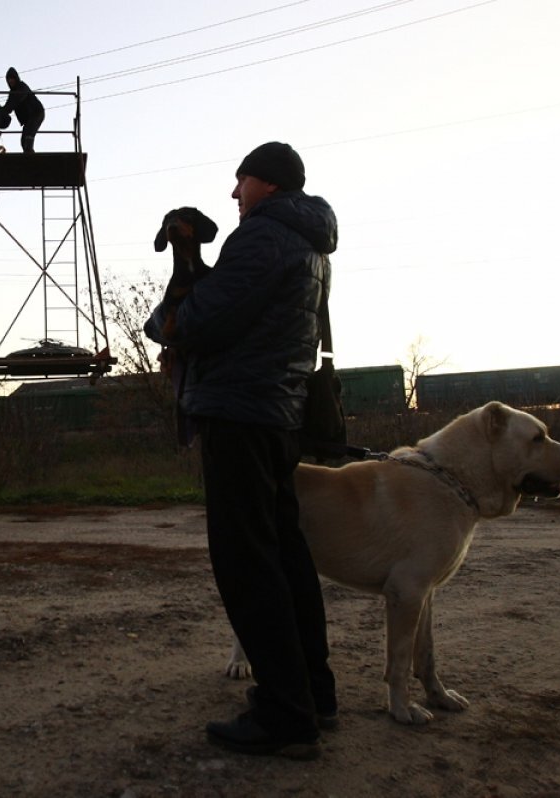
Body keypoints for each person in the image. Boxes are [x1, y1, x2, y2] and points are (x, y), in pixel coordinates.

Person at [144, 142, 339, 759]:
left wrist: (182, 277)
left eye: (242, 181)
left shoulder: (261, 238)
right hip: (278, 414)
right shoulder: (309, 245)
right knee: (284, 554)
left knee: (246, 562)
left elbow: (197, 320)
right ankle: (314, 693)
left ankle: (285, 715)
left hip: (240, 413)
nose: (233, 194)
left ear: (268, 184)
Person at [0, 67, 45, 153]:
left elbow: (15, 101)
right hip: (29, 118)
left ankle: (31, 157)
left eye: (12, 79)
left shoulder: (22, 87)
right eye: (9, 80)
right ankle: (28, 156)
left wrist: (1, 112)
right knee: (23, 141)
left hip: (36, 113)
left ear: (16, 78)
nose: (10, 81)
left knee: (28, 136)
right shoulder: (12, 93)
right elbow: (8, 106)